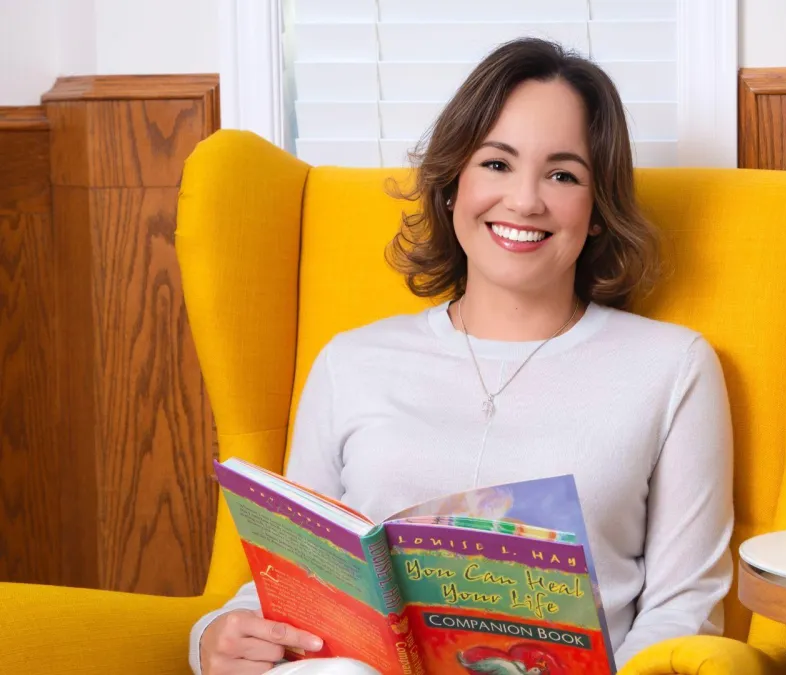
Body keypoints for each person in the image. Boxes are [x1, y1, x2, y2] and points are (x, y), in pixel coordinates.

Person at [191, 37, 733, 675]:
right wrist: (211, 638)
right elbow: (290, 582)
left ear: (595, 211)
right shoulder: (352, 362)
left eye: (563, 174)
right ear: (453, 187)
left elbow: (682, 610)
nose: (525, 201)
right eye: (497, 164)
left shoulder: (671, 368)